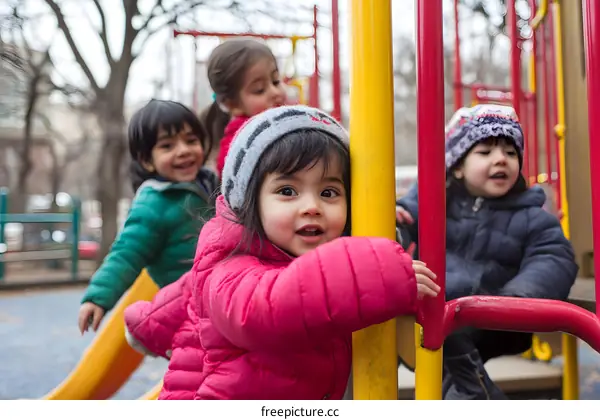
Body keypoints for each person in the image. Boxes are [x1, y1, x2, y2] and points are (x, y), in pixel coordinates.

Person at [123, 105, 440, 400]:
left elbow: (182, 295)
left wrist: (145, 325)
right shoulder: (233, 265)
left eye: (329, 192)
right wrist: (376, 273)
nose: (312, 206)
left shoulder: (291, 257)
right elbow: (267, 306)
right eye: (287, 191)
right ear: (250, 202)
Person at [396, 104, 579, 399]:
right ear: (457, 165)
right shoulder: (436, 201)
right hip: (436, 310)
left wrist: (517, 299)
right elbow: (407, 214)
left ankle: (476, 395)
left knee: (451, 359)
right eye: (485, 152)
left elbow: (553, 258)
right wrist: (399, 215)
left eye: (510, 153)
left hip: (495, 317)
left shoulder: (532, 215)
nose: (501, 160)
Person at [77, 99, 219, 334]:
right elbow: (126, 254)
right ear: (146, 160)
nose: (183, 150)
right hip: (190, 306)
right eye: (167, 146)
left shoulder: (210, 183)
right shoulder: (153, 204)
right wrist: (97, 297)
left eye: (191, 140)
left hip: (222, 290)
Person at [198, 39, 287, 176]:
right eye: (259, 90)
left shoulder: (285, 122)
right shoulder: (239, 145)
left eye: (275, 81)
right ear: (232, 104)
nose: (275, 92)